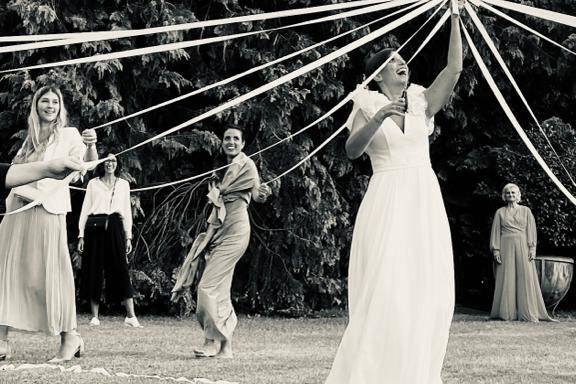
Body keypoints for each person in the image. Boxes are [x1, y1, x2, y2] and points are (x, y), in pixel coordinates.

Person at [325, 6, 462, 384]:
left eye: (404, 60)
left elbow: (454, 71)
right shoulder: (365, 103)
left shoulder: (420, 100)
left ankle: (415, 371)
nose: (402, 65)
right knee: (386, 286)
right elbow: (353, 150)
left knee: (425, 285)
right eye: (394, 62)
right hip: (386, 197)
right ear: (378, 73)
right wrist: (380, 117)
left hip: (422, 197)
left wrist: (455, 17)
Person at [0, 85, 98, 362]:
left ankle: (71, 337)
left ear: (61, 107)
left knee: (52, 273)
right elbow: (15, 174)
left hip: (46, 209)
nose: (50, 105)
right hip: (17, 210)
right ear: (36, 105)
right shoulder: (28, 139)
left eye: (55, 101)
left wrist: (91, 146)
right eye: (45, 100)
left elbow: (86, 166)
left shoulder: (69, 135)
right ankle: (1, 342)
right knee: (5, 272)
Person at [171, 126, 271, 359]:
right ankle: (226, 348)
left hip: (236, 231)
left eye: (236, 138)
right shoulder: (224, 169)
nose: (231, 142)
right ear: (222, 142)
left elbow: (257, 194)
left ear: (243, 143)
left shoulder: (247, 164)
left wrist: (264, 192)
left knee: (207, 286)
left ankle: (211, 341)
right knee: (221, 289)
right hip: (218, 231)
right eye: (227, 138)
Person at [78, 154, 142, 328]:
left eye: (113, 160)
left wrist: (128, 236)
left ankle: (131, 316)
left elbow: (127, 212)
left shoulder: (123, 184)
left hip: (115, 226)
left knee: (121, 268)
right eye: (106, 160)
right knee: (94, 269)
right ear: (102, 163)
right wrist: (81, 234)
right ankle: (94, 317)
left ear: (117, 164)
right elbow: (85, 209)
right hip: (95, 227)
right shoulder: (93, 184)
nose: (109, 163)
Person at [490, 183, 552, 321]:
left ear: (518, 195)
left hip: (523, 245)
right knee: (507, 276)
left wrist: (532, 247)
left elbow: (531, 230)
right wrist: (496, 250)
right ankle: (507, 313)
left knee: (525, 276)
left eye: (513, 192)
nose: (510, 195)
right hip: (505, 245)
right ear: (504, 196)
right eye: (508, 193)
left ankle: (527, 312)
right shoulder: (499, 212)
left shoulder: (526, 211)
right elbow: (495, 232)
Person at [0, 157, 85, 192]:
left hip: (51, 204)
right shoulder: (29, 138)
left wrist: (48, 169)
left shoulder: (70, 133)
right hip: (20, 198)